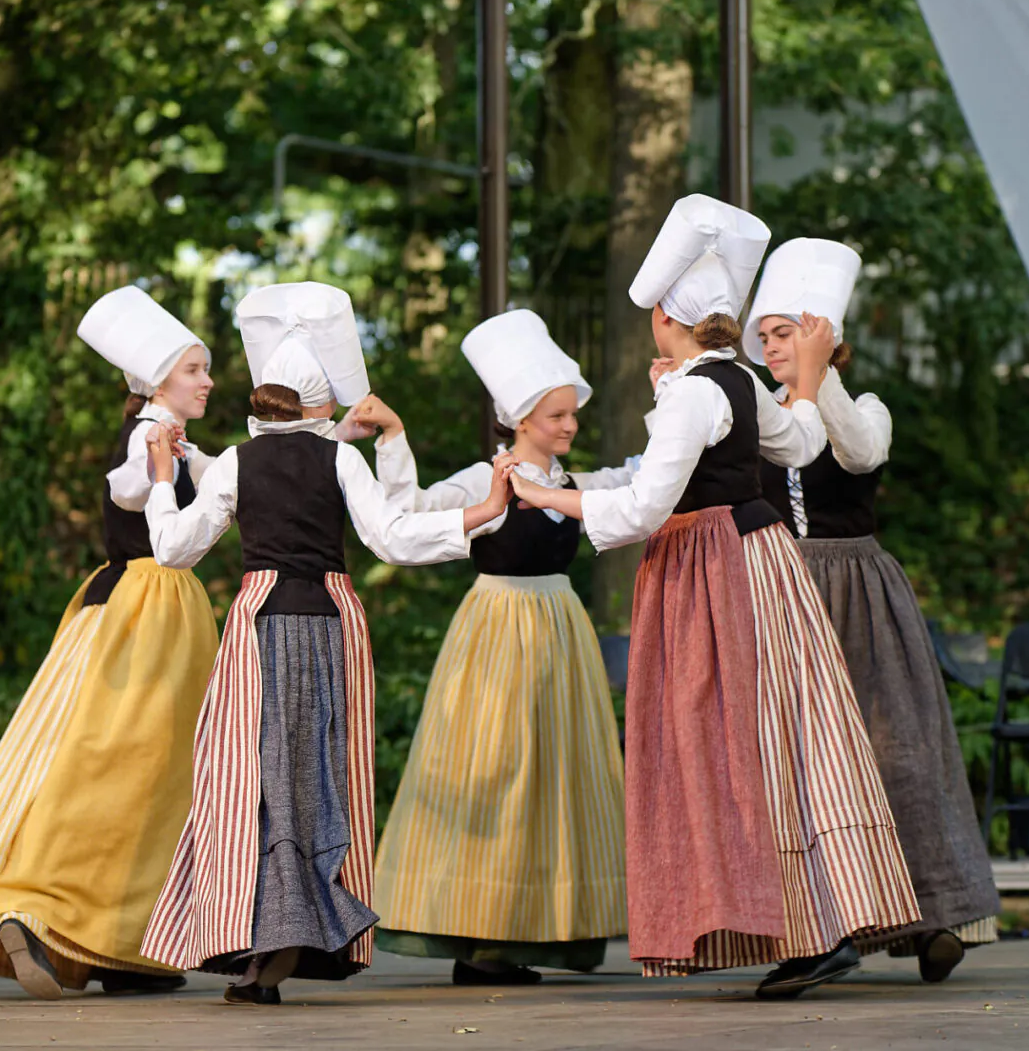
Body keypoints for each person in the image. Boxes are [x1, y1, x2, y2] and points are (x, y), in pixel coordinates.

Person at [508, 194, 920, 999]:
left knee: (723, 741)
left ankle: (800, 926)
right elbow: (799, 441)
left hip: (708, 565)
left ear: (664, 316)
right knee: (781, 733)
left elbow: (640, 510)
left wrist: (542, 494)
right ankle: (817, 916)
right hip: (763, 557)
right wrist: (795, 387)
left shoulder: (696, 392)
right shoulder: (730, 378)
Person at [137, 281, 517, 1005]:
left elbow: (173, 547)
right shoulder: (336, 459)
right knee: (316, 773)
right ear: (319, 407)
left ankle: (259, 939)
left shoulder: (237, 464)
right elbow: (393, 538)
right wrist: (484, 511)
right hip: (331, 621)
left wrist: (166, 477)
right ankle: (295, 928)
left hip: (258, 625)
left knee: (250, 780)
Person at [0, 286, 220, 999]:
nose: (207, 382)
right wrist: (156, 464)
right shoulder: (148, 437)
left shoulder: (179, 441)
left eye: (206, 370)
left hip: (144, 605)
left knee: (149, 775)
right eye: (193, 371)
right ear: (153, 383)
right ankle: (37, 905)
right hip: (146, 610)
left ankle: (117, 945)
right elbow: (124, 489)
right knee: (115, 767)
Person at [745, 238, 1000, 983]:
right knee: (797, 763)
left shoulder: (864, 408)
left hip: (855, 589)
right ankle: (816, 925)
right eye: (764, 336)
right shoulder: (756, 413)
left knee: (897, 753)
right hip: (780, 593)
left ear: (824, 335)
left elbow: (856, 453)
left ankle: (932, 916)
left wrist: (815, 379)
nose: (770, 346)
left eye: (784, 332)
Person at [357, 310, 628, 986]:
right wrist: (392, 436)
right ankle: (475, 933)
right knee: (491, 770)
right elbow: (412, 512)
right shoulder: (485, 478)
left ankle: (527, 933)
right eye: (555, 416)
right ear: (519, 418)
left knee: (551, 777)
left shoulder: (572, 483)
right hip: (496, 626)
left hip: (558, 627)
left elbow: (643, 479)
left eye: (570, 415)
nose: (567, 426)